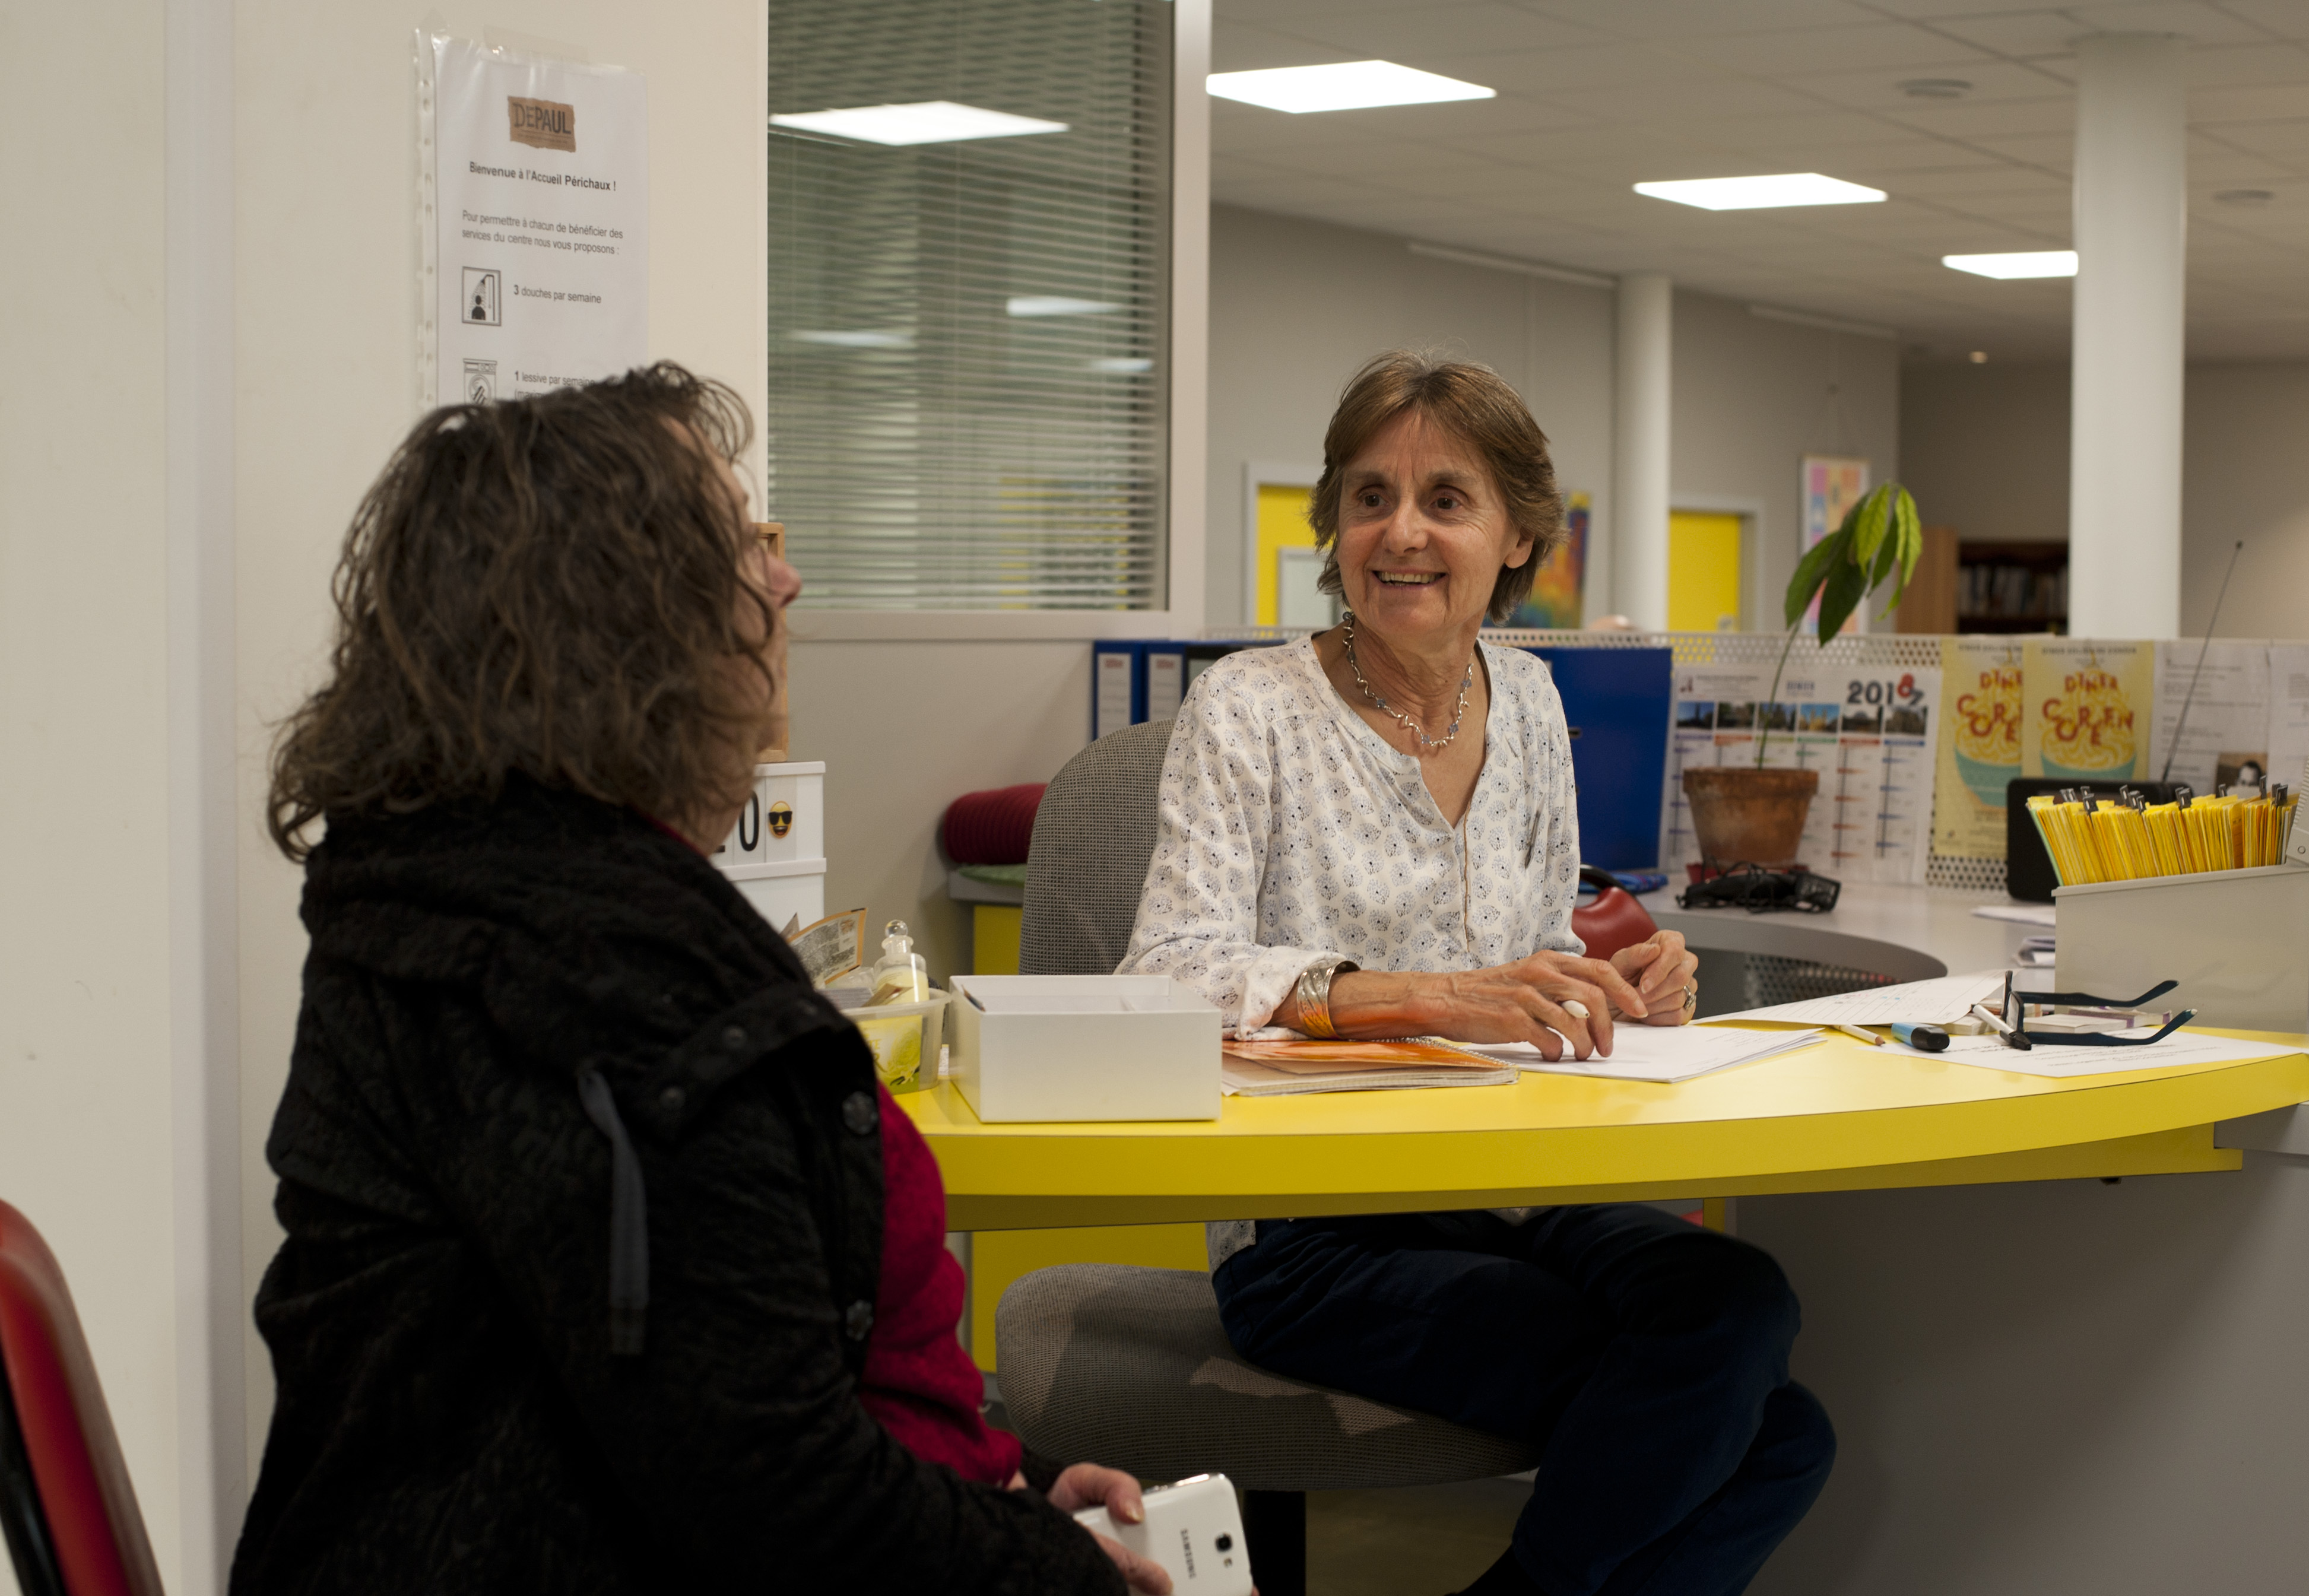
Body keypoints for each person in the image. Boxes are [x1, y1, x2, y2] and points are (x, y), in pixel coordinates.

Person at [233, 364, 1172, 1595]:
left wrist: (999, 1486)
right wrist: (1056, 1569)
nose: (786, 578)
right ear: (622, 618)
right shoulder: (599, 987)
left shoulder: (466, 897)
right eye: (741, 544)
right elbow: (778, 1498)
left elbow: (729, 1405)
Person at [1118, 352, 1835, 1596]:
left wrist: (1619, 979)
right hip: (1312, 1226)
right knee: (1768, 1435)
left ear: (1516, 539)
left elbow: (1539, 945)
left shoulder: (1539, 704)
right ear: (1333, 526)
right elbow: (1164, 972)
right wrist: (1407, 993)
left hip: (1515, 1184)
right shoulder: (1248, 708)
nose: (1400, 532)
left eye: (1445, 500)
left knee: (1742, 1303)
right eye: (1367, 497)